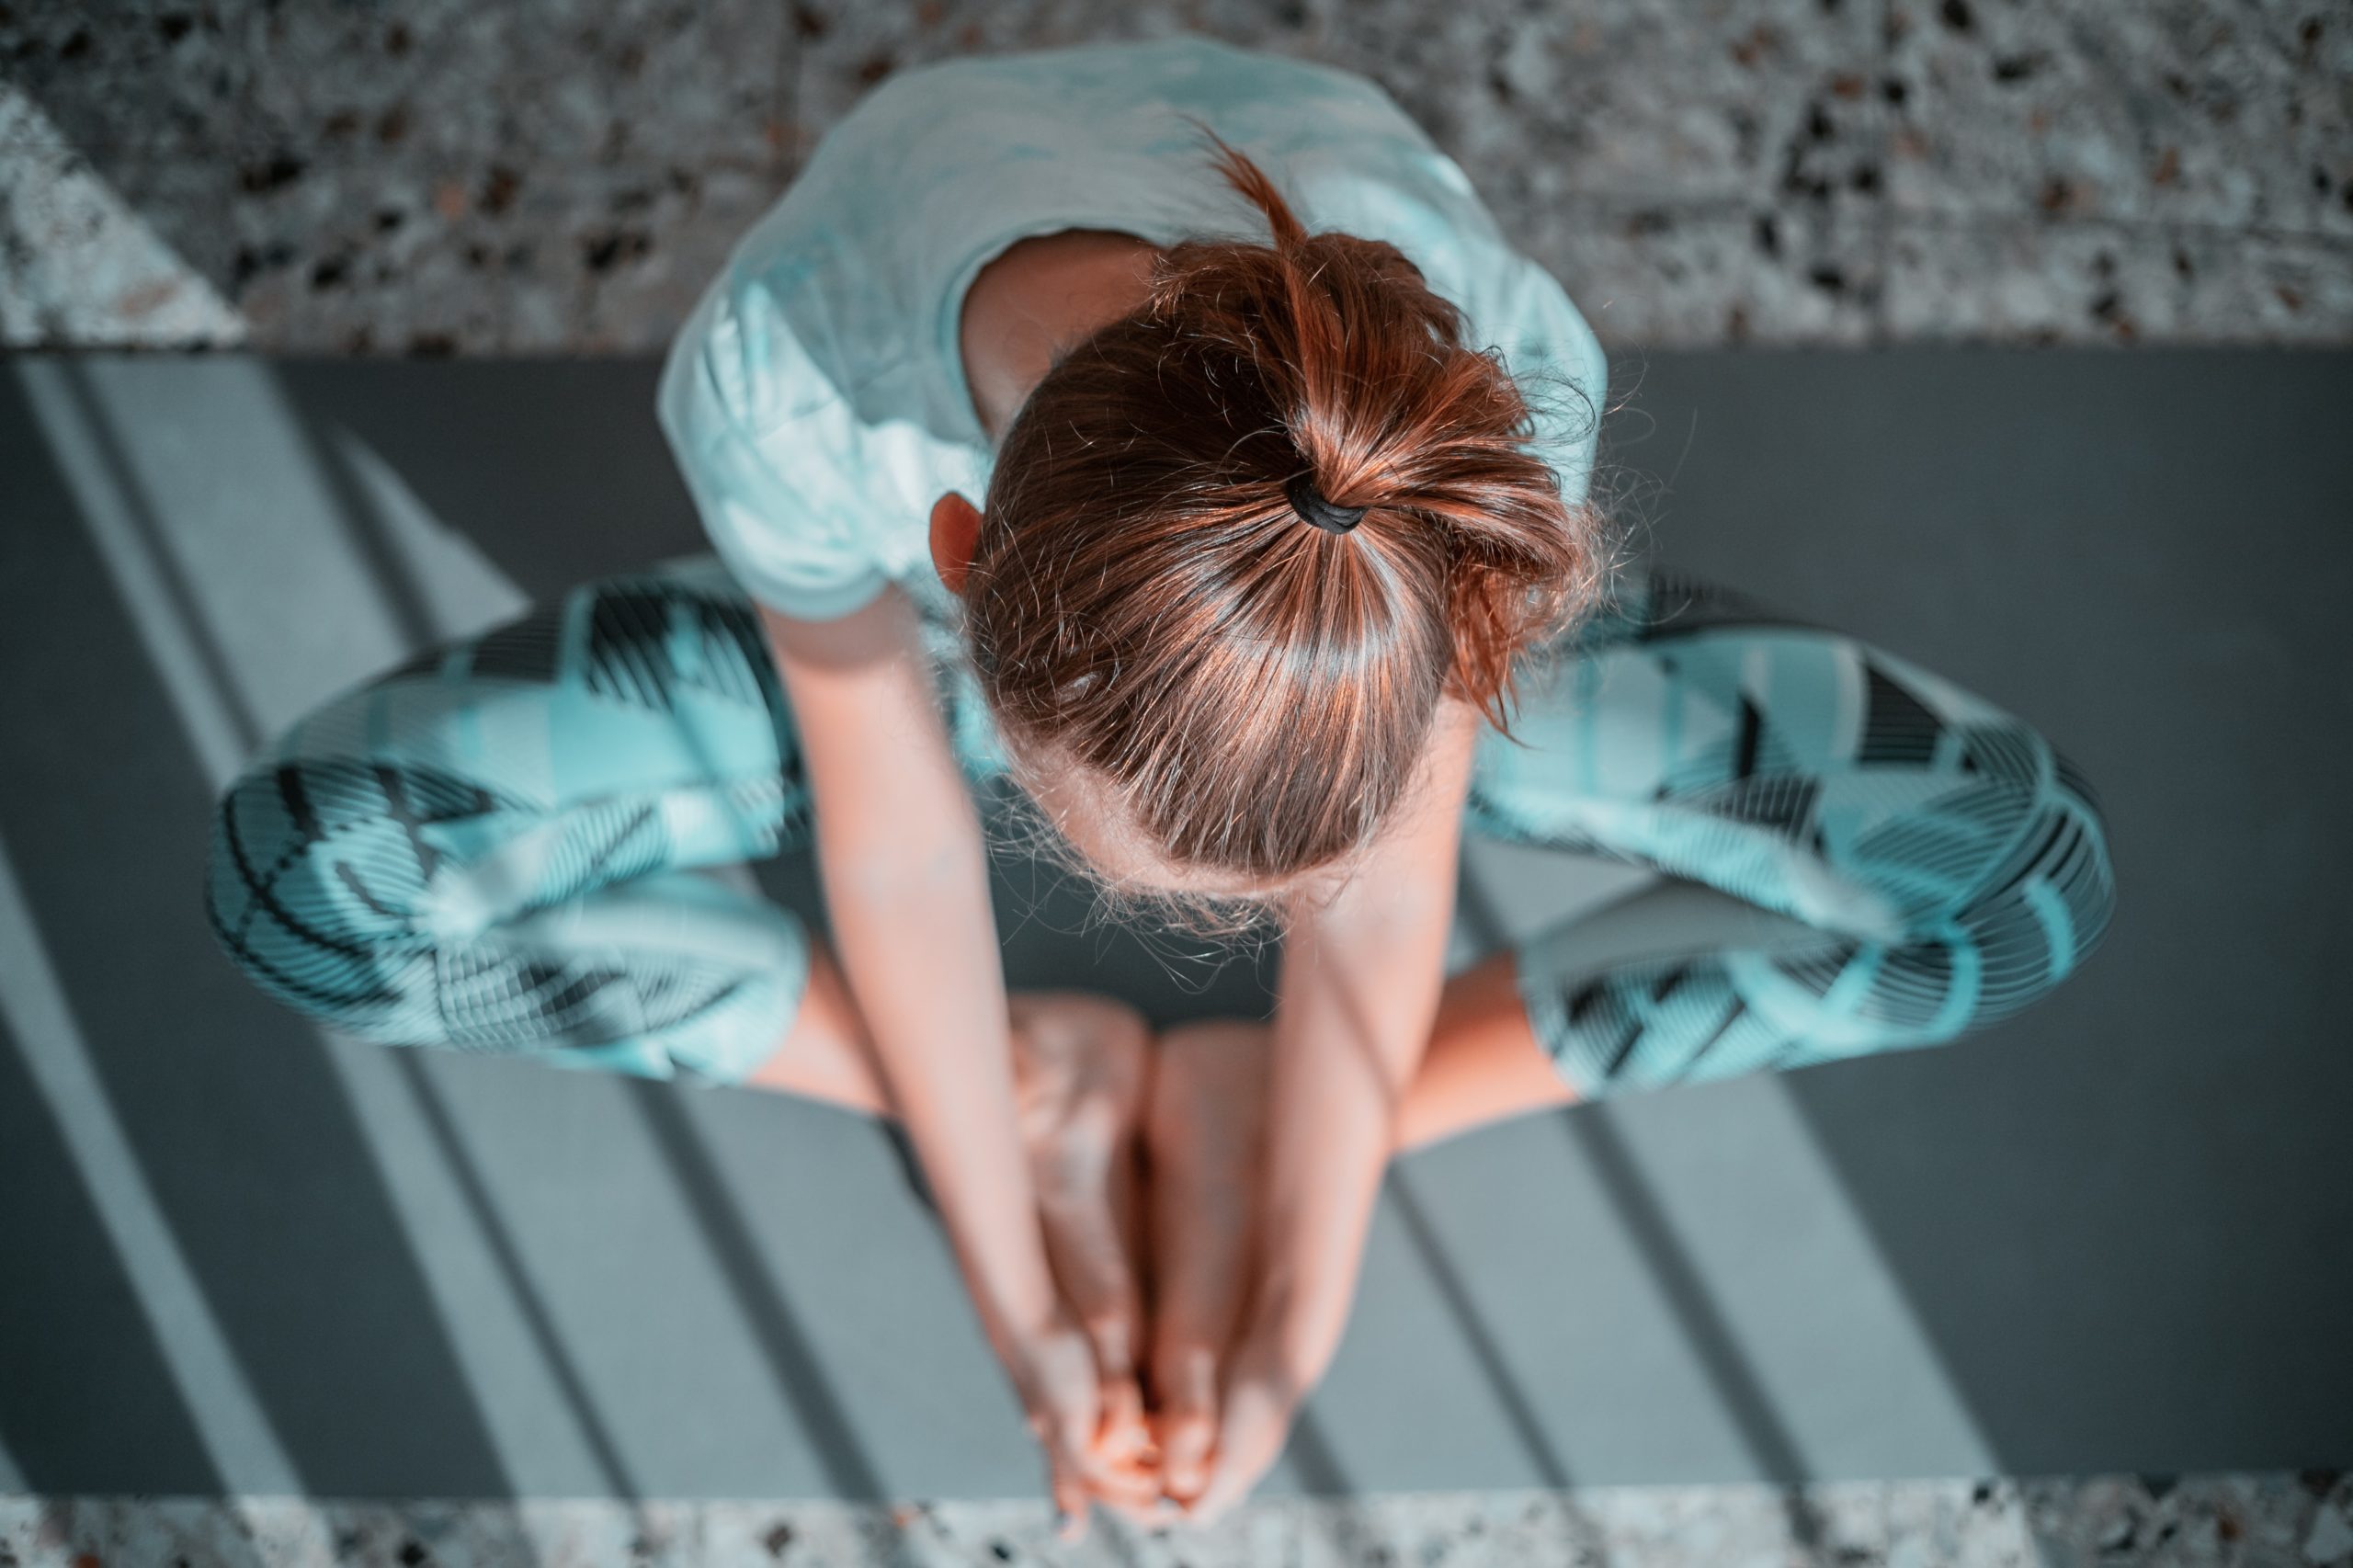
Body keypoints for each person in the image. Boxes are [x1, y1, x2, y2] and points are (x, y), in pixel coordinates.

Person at [204, 36, 2116, 1538]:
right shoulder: (791, 378)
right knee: (303, 882)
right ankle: (1024, 1077)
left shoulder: (1462, 410)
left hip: (1347, 642)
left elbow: (1390, 876)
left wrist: (1300, 1298)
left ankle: (1265, 1101)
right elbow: (898, 839)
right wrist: (1020, 1310)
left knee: (2015, 876)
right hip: (930, 656)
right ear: (947, 548)